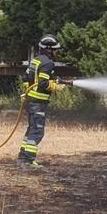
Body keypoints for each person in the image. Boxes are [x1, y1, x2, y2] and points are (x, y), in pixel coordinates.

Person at [17, 34, 63, 169]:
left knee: (31, 129)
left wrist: (27, 93)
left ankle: (22, 157)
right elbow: (43, 84)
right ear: (49, 49)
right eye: (55, 49)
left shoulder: (35, 60)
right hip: (38, 102)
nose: (56, 52)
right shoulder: (48, 63)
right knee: (37, 131)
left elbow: (27, 78)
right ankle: (28, 161)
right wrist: (55, 86)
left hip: (31, 100)